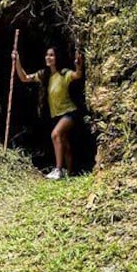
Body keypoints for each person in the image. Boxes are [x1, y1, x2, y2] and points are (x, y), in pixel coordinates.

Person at [12, 44, 83, 180]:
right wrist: (17, 61)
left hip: (70, 112)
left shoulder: (64, 73)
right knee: (65, 143)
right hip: (57, 115)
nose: (48, 57)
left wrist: (79, 65)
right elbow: (24, 78)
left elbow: (77, 75)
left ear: (57, 58)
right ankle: (69, 173)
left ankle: (58, 169)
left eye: (51, 55)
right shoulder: (44, 75)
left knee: (55, 134)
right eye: (47, 55)